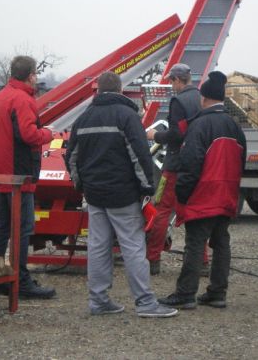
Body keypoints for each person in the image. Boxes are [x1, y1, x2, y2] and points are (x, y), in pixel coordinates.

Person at [65, 71, 178, 318]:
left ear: (98, 91)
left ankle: (98, 300)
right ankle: (146, 303)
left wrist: (80, 185)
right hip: (123, 194)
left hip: (94, 194)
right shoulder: (127, 116)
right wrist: (147, 188)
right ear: (119, 90)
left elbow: (70, 156)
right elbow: (139, 155)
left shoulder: (83, 119)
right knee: (133, 246)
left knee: (97, 246)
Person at [158, 71, 246, 309]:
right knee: (221, 243)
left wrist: (183, 195)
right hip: (227, 194)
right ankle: (217, 292)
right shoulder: (234, 125)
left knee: (195, 244)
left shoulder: (199, 125)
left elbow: (190, 163)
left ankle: (186, 293)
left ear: (203, 98)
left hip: (203, 195)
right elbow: (242, 161)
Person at [0, 55, 57, 299]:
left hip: (1, 172)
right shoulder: (23, 99)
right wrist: (47, 134)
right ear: (31, 75)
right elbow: (28, 134)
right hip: (18, 173)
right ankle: (20, 281)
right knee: (23, 228)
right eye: (36, 74)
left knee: (2, 226)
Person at [146, 63, 202, 275]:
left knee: (162, 210)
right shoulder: (200, 98)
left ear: (178, 80)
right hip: (195, 165)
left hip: (175, 165)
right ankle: (201, 261)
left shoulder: (178, 101)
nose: (171, 85)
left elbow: (176, 134)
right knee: (194, 213)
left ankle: (152, 259)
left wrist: (156, 136)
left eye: (171, 81)